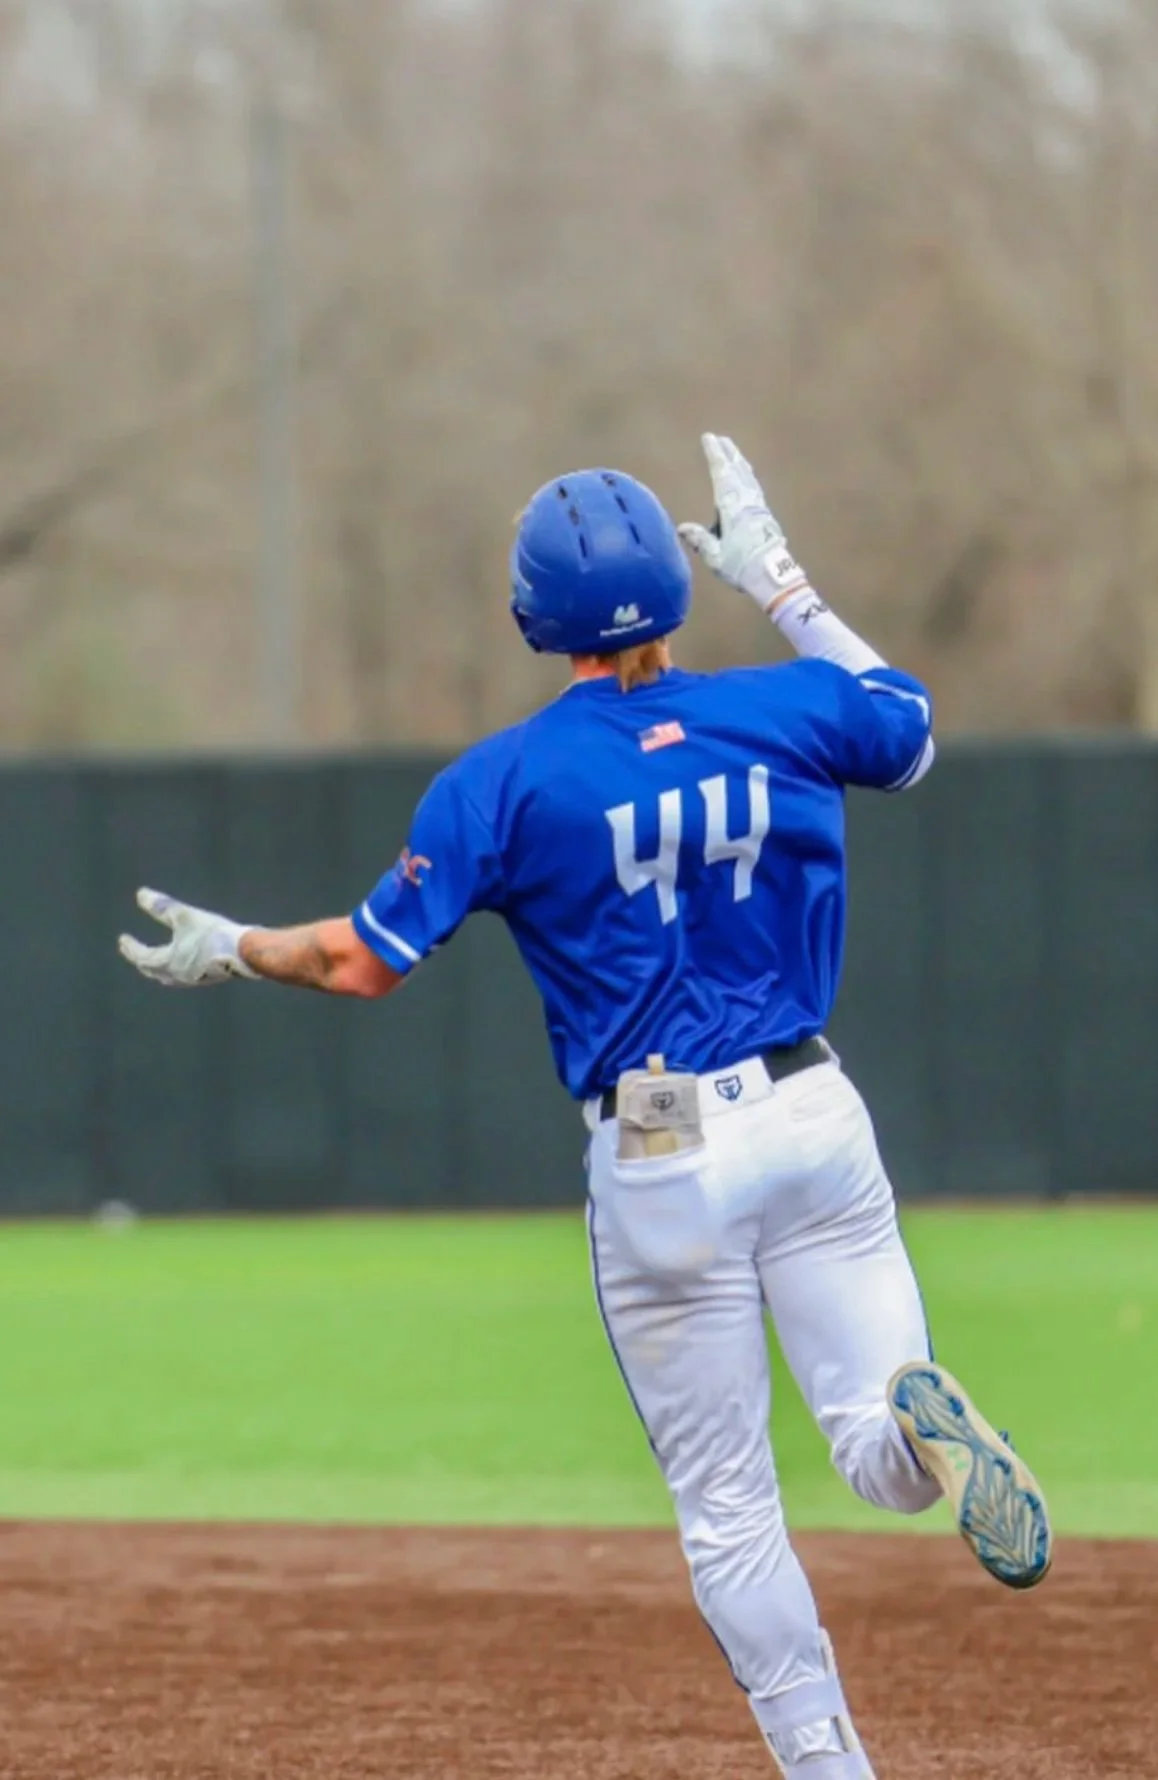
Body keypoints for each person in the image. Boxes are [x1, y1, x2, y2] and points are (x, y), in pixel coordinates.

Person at [119, 436, 1051, 1778]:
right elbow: (902, 725)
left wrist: (237, 945)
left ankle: (831, 1770)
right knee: (869, 1442)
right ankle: (922, 1425)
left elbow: (361, 961)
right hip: (807, 1111)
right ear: (678, 587)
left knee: (729, 1512)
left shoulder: (503, 783)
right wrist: (782, 581)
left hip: (663, 1149)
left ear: (528, 622)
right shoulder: (784, 709)